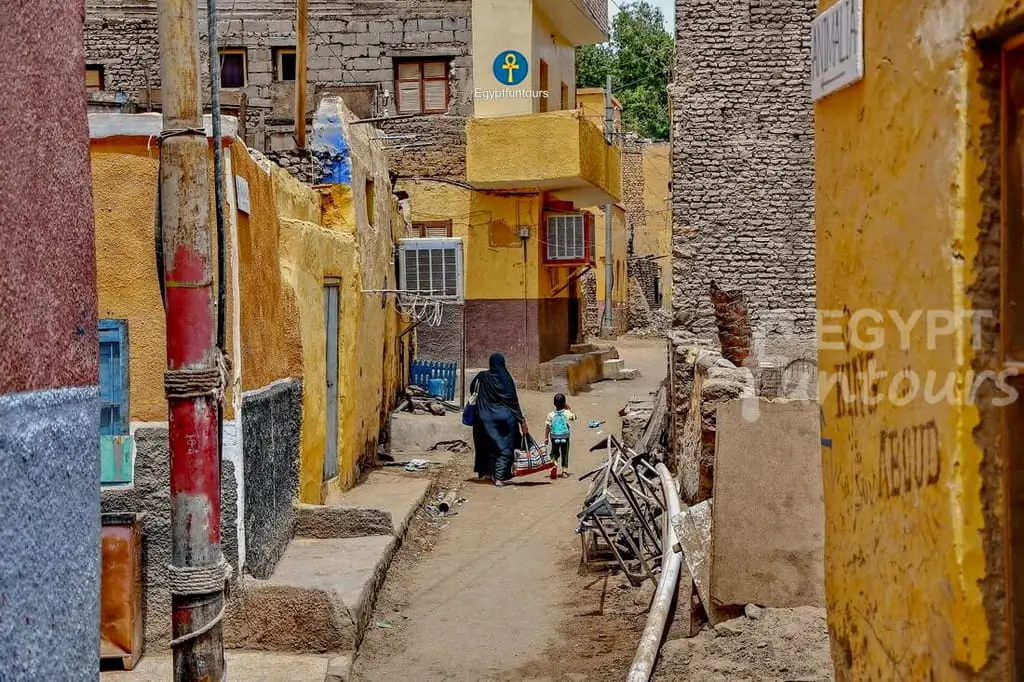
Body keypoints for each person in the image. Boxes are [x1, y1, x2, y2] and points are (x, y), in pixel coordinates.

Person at [471, 352, 528, 488]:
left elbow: (473, 389)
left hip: (484, 419)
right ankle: (499, 478)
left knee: (488, 446)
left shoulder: (482, 376)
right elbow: (513, 402)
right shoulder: (506, 379)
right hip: (504, 419)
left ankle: (489, 473)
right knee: (505, 447)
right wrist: (522, 421)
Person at [545, 393, 576, 478]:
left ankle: (554, 463)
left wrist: (546, 438)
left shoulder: (550, 414)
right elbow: (574, 417)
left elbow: (548, 426)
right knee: (565, 453)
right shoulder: (567, 413)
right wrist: (569, 409)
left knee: (554, 452)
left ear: (554, 403)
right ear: (564, 403)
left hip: (554, 436)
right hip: (565, 436)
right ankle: (564, 472)